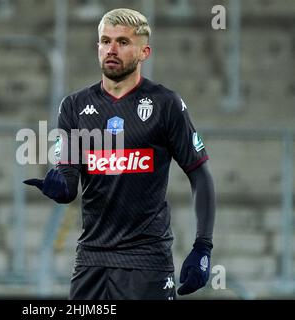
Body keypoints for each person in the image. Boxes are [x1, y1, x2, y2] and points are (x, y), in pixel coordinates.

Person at [24, 8, 215, 300]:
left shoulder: (166, 104)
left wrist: (203, 247)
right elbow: (68, 183)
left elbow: (200, 175)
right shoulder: (74, 106)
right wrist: (59, 187)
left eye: (123, 42)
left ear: (144, 52)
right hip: (91, 261)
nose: (111, 49)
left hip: (147, 262)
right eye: (105, 41)